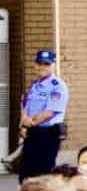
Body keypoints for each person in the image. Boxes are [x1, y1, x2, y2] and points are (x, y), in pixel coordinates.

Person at [15, 47, 65, 178]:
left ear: (53, 65)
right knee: (26, 174)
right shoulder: (35, 85)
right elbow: (26, 106)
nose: (42, 67)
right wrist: (24, 124)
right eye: (39, 63)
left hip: (47, 134)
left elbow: (50, 112)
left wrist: (30, 122)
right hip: (32, 133)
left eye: (46, 64)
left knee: (42, 174)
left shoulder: (57, 86)